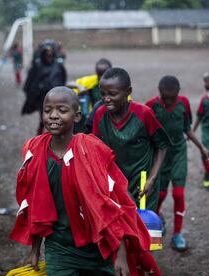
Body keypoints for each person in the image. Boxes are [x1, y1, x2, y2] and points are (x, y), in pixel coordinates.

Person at [10, 87, 161, 276]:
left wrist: (120, 254)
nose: (53, 116)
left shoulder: (91, 151)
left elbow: (112, 204)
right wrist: (35, 250)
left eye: (62, 110)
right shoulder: (36, 152)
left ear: (77, 116)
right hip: (59, 249)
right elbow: (37, 206)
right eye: (47, 110)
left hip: (96, 247)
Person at [146, 76, 209, 251]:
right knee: (158, 195)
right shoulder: (151, 106)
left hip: (178, 154)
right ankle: (156, 221)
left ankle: (177, 234)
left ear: (178, 93)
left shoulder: (183, 103)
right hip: (160, 156)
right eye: (164, 97)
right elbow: (145, 133)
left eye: (171, 98)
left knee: (178, 194)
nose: (168, 101)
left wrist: (201, 148)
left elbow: (187, 129)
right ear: (159, 92)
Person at [92, 68, 171, 211]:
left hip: (143, 183)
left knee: (143, 225)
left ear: (128, 92)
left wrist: (152, 178)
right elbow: (96, 152)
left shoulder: (143, 114)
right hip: (116, 183)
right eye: (103, 94)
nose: (106, 98)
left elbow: (162, 145)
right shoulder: (100, 115)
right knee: (121, 227)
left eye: (112, 94)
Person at [22, 43, 67, 134]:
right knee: (44, 115)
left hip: (56, 96)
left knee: (56, 115)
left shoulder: (58, 66)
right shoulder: (38, 65)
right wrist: (35, 90)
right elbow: (31, 80)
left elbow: (62, 78)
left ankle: (53, 132)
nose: (49, 56)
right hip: (41, 97)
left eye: (50, 54)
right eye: (47, 54)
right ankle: (42, 132)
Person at [67, 58, 112, 133]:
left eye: (104, 75)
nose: (101, 78)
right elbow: (69, 84)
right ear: (96, 72)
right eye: (99, 75)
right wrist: (79, 87)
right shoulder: (90, 81)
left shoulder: (116, 85)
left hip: (108, 118)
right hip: (90, 116)